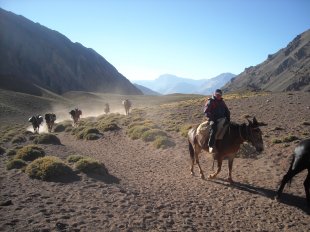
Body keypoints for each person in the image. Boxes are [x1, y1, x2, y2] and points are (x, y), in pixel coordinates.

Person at [204, 89, 230, 153]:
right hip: (213, 119)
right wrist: (213, 119)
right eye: (217, 94)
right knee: (214, 129)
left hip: (222, 118)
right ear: (215, 94)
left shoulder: (222, 101)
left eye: (220, 95)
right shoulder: (211, 101)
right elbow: (206, 112)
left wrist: (228, 117)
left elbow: (226, 110)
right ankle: (211, 145)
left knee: (229, 128)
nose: (219, 96)